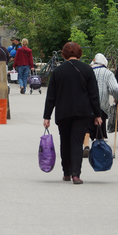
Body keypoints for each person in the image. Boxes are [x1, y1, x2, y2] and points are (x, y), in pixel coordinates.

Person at [43, 42, 102, 184]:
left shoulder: (58, 71)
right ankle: (76, 174)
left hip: (63, 112)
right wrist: (97, 114)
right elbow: (93, 94)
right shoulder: (87, 70)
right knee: (77, 142)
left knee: (65, 141)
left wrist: (47, 116)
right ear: (79, 53)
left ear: (64, 54)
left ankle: (66, 172)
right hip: (82, 112)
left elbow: (51, 96)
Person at [83, 53, 118, 157]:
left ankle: (86, 146)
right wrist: (117, 98)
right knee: (100, 125)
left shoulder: (86, 71)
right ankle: (100, 148)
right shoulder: (108, 73)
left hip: (87, 103)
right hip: (102, 104)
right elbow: (114, 88)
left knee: (86, 127)